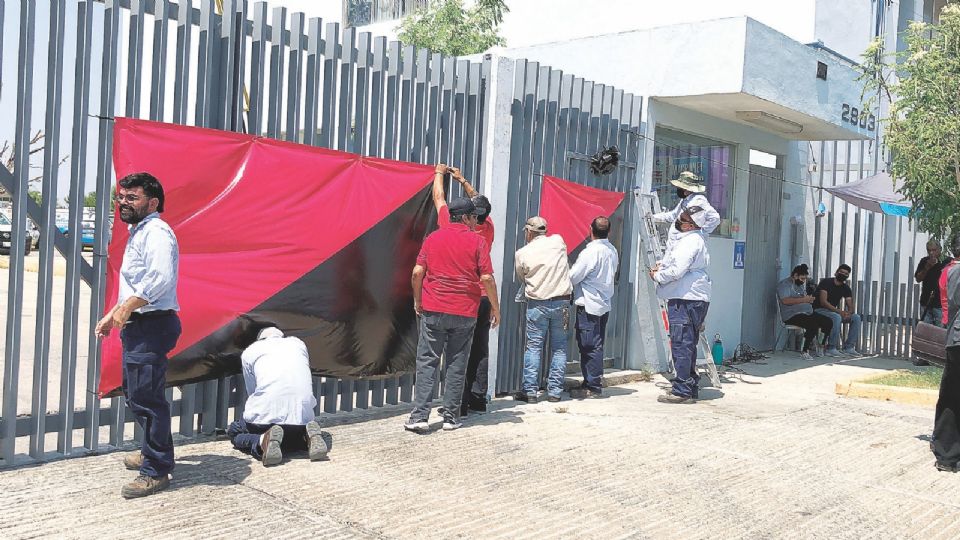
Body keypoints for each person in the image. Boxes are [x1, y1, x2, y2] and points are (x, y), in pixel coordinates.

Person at [95, 172, 181, 499]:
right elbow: (136, 282)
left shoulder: (157, 232)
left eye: (132, 197)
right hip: (142, 325)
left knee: (148, 399)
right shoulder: (140, 231)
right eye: (121, 196)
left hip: (153, 324)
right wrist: (111, 315)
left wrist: (128, 306)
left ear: (152, 202)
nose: (123, 203)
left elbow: (159, 279)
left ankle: (156, 470)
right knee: (137, 395)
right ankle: (151, 452)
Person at [406, 195, 501, 433]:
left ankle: (420, 417)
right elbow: (487, 278)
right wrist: (496, 308)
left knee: (427, 361)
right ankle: (450, 417)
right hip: (465, 311)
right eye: (473, 217)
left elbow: (418, 272)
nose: (474, 222)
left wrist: (418, 300)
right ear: (467, 217)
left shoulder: (433, 238)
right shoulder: (477, 241)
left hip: (434, 308)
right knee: (457, 363)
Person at [431, 164, 495, 416]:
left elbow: (439, 198)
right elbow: (481, 203)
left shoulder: (451, 223)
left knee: (459, 352)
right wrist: (463, 180)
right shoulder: (487, 226)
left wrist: (439, 173)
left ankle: (459, 404)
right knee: (480, 349)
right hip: (484, 297)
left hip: (463, 298)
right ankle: (478, 398)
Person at [226, 327, 328, 466]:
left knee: (235, 431)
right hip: (302, 418)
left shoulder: (250, 351)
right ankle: (306, 437)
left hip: (265, 420)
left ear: (260, 339)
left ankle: (262, 440)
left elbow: (252, 390)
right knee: (291, 431)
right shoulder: (298, 344)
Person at [651, 206, 711, 404]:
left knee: (681, 344)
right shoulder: (696, 240)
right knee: (689, 344)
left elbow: (677, 271)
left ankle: (682, 390)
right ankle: (689, 384)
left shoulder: (690, 241)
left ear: (691, 225)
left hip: (685, 298)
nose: (679, 220)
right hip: (694, 296)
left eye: (683, 218)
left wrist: (658, 275)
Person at [514, 216, 573, 403]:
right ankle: (555, 392)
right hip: (562, 303)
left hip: (537, 304)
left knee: (533, 347)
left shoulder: (522, 253)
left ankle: (530, 392)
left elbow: (521, 277)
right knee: (560, 349)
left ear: (529, 232)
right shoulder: (558, 241)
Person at [569, 216, 619, 399]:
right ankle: (589, 381)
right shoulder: (612, 250)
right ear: (609, 231)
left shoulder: (591, 252)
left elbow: (574, 276)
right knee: (595, 344)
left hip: (589, 303)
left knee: (589, 345)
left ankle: (593, 385)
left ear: (590, 229)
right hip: (604, 303)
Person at [933, 235, 960, 472]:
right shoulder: (956, 271)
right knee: (952, 398)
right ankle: (946, 455)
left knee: (952, 396)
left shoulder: (952, 270)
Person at [776, 264, 833, 360]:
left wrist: (810, 299)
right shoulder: (784, 285)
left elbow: (803, 297)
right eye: (802, 278)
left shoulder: (801, 286)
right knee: (812, 324)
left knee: (828, 322)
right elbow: (785, 301)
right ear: (795, 275)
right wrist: (804, 300)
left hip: (806, 312)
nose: (803, 281)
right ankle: (804, 350)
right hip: (792, 314)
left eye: (805, 279)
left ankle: (820, 345)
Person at [650, 171, 721, 242]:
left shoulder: (698, 201)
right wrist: (653, 217)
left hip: (690, 243)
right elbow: (674, 215)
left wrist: (701, 232)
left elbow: (715, 218)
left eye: (680, 187)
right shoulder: (685, 201)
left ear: (686, 189)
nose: (678, 189)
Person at [813, 264, 863, 357]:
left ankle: (849, 348)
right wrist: (839, 311)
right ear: (836, 272)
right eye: (841, 272)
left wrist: (849, 313)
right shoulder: (826, 282)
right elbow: (823, 302)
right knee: (836, 317)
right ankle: (831, 348)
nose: (843, 275)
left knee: (856, 317)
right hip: (819, 311)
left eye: (846, 274)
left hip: (832, 312)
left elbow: (850, 305)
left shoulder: (846, 288)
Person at [916, 239, 950, 327]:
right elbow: (918, 279)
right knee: (926, 331)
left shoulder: (946, 262)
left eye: (934, 250)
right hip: (926, 302)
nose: (931, 253)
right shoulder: (924, 261)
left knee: (940, 332)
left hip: (941, 304)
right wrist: (927, 267)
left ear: (940, 249)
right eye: (929, 250)